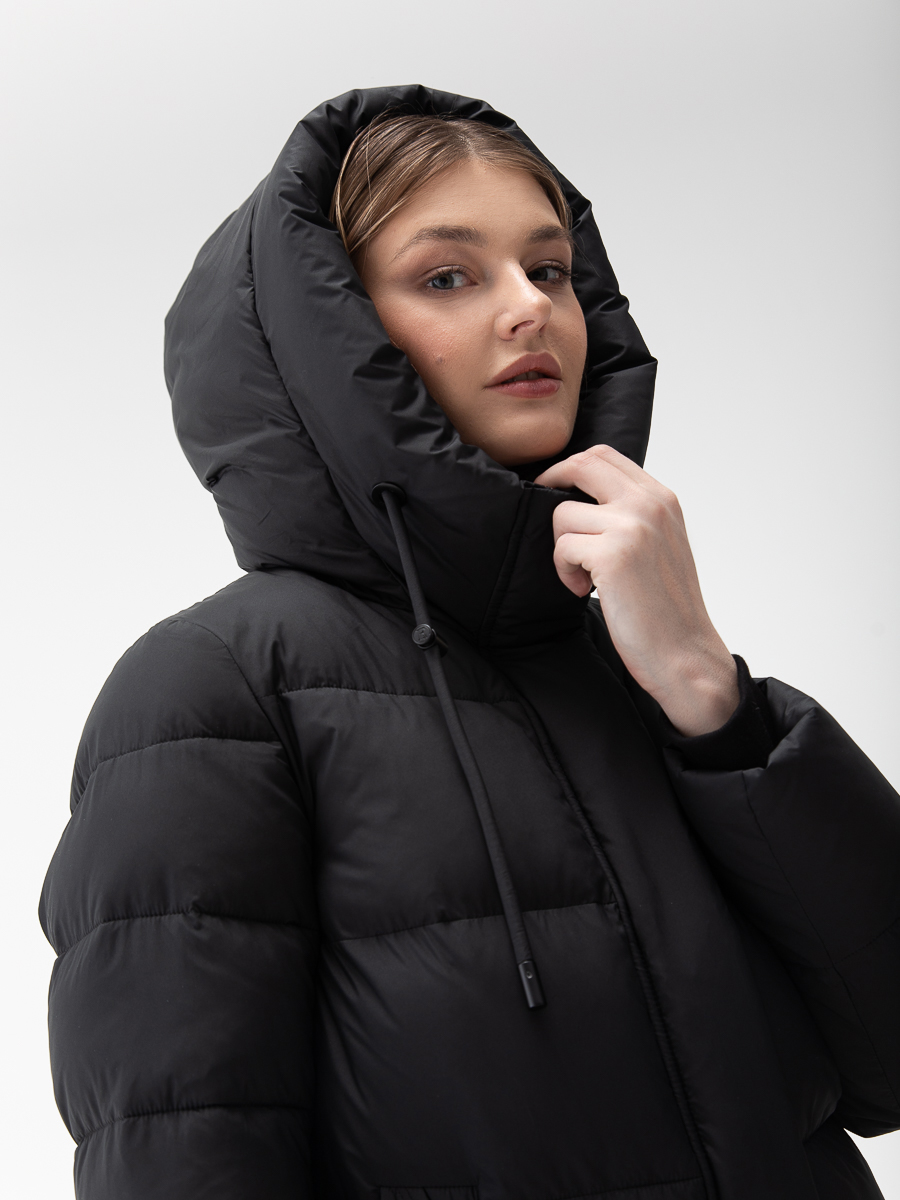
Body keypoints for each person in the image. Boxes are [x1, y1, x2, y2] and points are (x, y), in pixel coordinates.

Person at [39, 84, 899, 1200]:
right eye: (447, 276)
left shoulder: (640, 660)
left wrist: (710, 694)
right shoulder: (215, 692)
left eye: (550, 269)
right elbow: (184, 1161)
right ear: (327, 339)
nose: (530, 308)